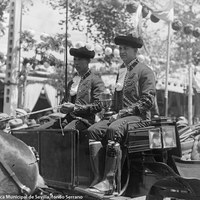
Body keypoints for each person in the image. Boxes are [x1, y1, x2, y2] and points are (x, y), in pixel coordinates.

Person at [87, 34, 156, 195]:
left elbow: (147, 102)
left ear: (135, 51)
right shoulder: (122, 71)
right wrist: (109, 112)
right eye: (120, 48)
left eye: (125, 48)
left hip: (140, 118)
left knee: (114, 129)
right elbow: (119, 101)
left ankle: (110, 182)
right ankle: (98, 178)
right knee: (93, 131)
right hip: (121, 117)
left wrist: (121, 114)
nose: (122, 51)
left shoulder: (145, 71)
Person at [36, 44, 105, 132]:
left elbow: (99, 105)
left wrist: (75, 108)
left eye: (79, 59)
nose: (76, 62)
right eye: (74, 59)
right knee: (40, 130)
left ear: (88, 61)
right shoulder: (71, 82)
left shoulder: (95, 80)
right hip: (68, 119)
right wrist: (63, 107)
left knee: (68, 131)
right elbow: (64, 102)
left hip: (86, 121)